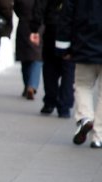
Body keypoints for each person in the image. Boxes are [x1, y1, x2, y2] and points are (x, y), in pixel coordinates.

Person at [55, 0, 102, 148]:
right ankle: (98, 136)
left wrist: (63, 48)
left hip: (84, 46)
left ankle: (85, 118)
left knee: (83, 85)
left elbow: (66, 17)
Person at [29, 0, 75, 118]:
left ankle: (50, 101)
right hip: (71, 30)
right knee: (68, 70)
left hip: (52, 28)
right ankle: (64, 106)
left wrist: (35, 27)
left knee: (50, 67)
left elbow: (39, 6)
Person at [14, 0, 43, 100]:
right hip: (39, 26)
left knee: (25, 57)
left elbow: (16, 7)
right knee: (37, 58)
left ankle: (27, 85)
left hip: (24, 24)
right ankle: (32, 85)